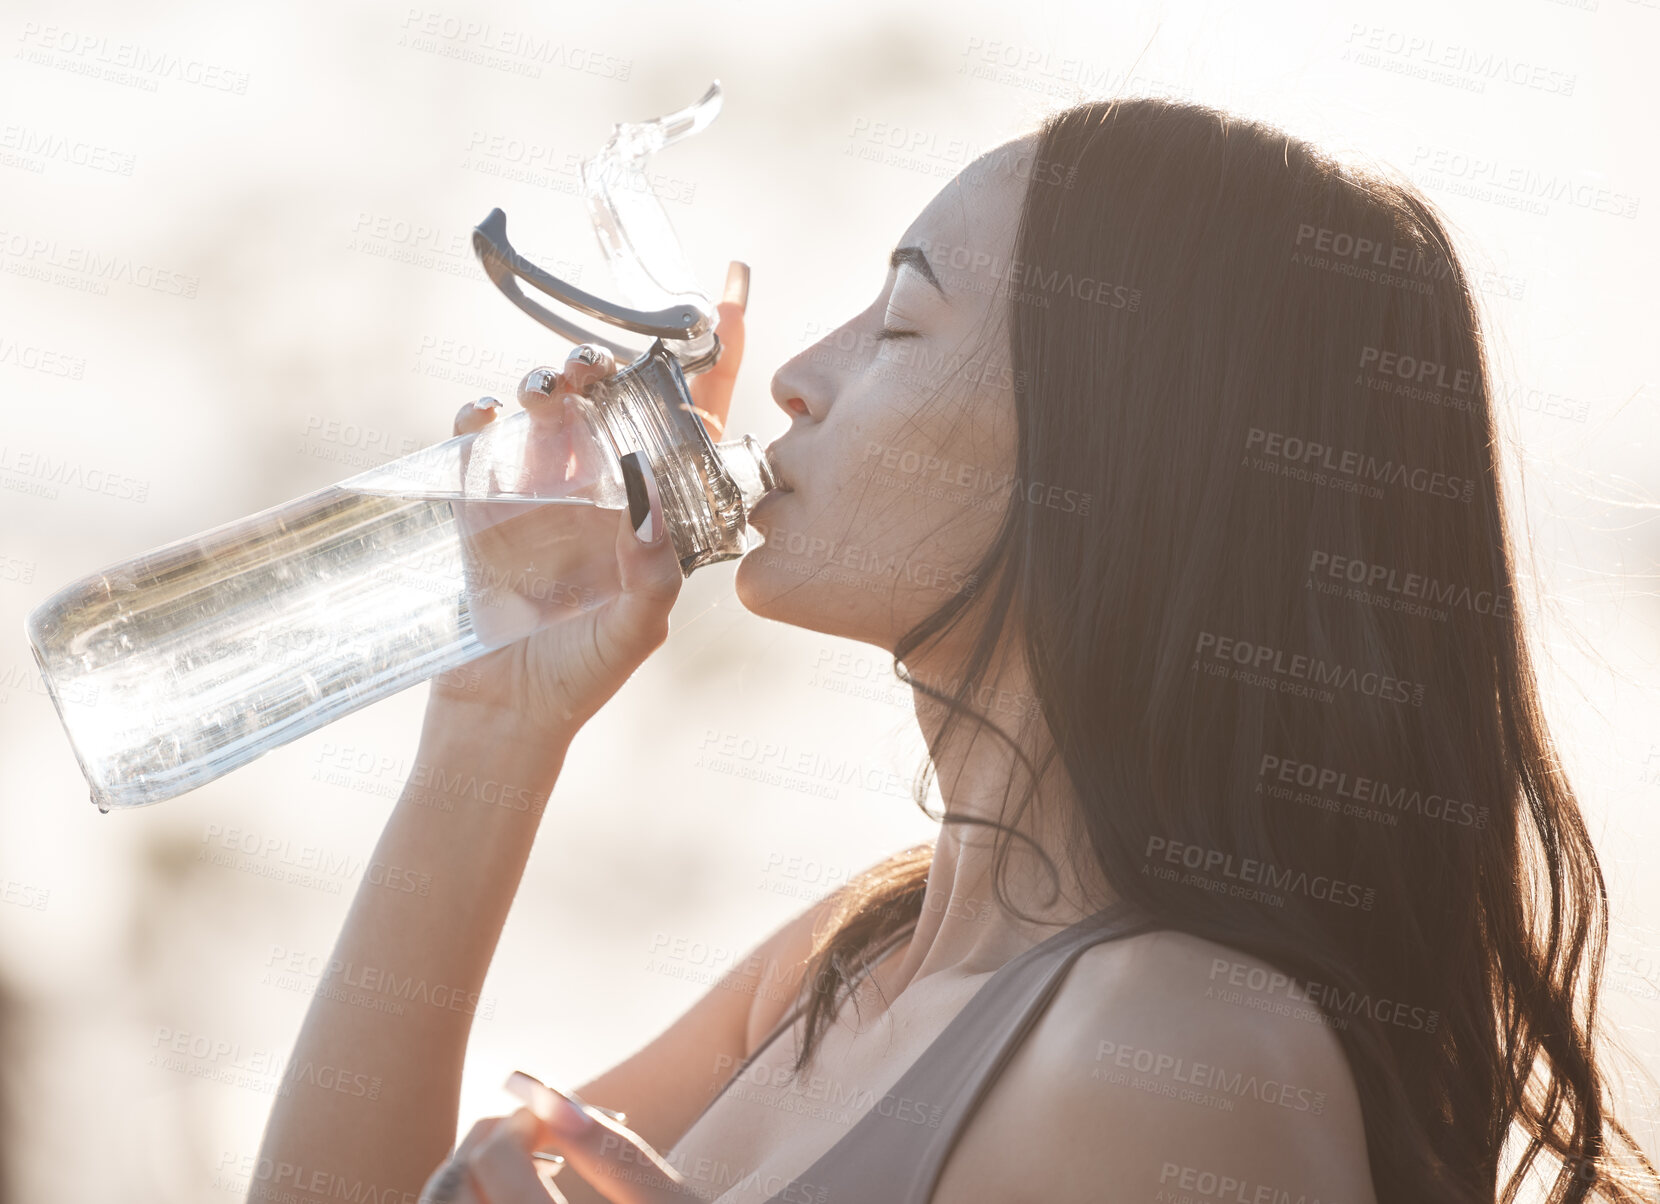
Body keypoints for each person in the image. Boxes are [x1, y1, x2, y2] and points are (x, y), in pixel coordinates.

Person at [252, 97, 1660, 1204]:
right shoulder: (842, 968)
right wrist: (492, 727)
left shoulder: (1179, 1047)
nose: (795, 375)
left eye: (905, 318)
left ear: (1111, 456)